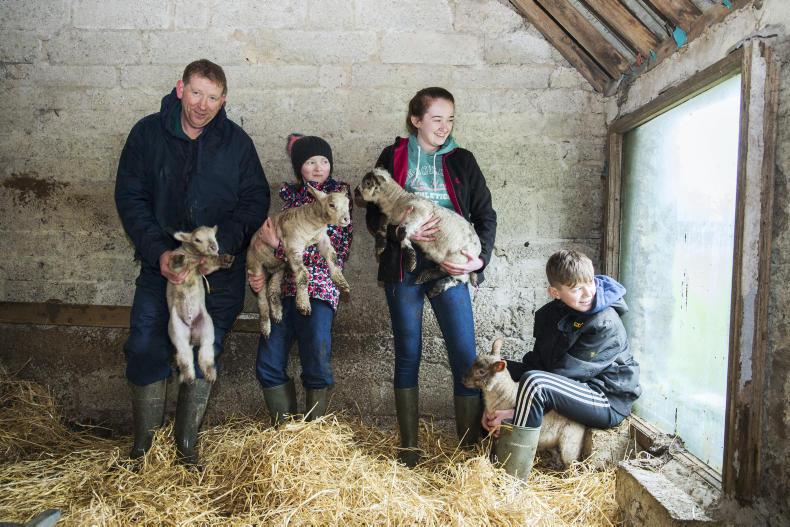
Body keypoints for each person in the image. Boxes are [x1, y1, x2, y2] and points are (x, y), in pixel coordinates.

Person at [114, 59, 269, 464]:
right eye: (196, 93)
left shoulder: (237, 144)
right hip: (162, 269)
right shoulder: (148, 134)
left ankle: (186, 447)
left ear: (223, 100)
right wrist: (158, 252)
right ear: (180, 88)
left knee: (205, 352)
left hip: (218, 275)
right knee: (145, 345)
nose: (203, 105)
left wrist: (218, 248)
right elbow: (130, 197)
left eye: (213, 97)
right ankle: (143, 448)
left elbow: (255, 201)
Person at [366, 87, 497, 466]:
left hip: (450, 265)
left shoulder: (463, 161)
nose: (445, 126)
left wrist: (478, 261)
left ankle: (468, 453)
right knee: (408, 354)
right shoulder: (392, 157)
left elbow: (486, 215)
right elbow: (374, 215)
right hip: (404, 264)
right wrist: (400, 234)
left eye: (450, 119)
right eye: (437, 119)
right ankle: (409, 450)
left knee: (464, 357)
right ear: (416, 120)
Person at [484, 249, 642, 479]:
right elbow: (539, 362)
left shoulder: (605, 322)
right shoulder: (551, 314)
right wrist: (495, 405)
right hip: (569, 385)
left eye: (590, 283)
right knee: (493, 369)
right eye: (576, 288)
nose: (587, 293)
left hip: (604, 397)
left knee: (535, 383)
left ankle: (513, 477)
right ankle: (479, 445)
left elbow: (565, 377)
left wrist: (513, 412)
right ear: (555, 292)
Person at [250, 134, 353, 425]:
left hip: (318, 289)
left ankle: (312, 436)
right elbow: (266, 248)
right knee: (268, 364)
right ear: (299, 169)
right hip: (282, 290)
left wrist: (279, 246)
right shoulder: (288, 202)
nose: (319, 167)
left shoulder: (340, 200)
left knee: (317, 361)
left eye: (324, 161)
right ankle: (286, 436)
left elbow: (335, 250)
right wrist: (261, 272)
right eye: (310, 162)